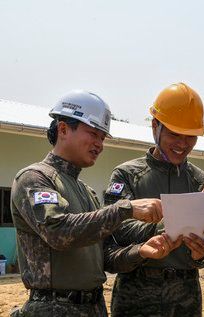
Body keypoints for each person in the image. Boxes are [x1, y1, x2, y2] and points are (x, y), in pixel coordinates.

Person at [10, 90, 181, 317]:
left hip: (94, 307)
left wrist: (142, 252)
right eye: (93, 133)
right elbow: (58, 231)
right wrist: (126, 209)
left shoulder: (86, 192)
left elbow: (106, 257)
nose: (99, 144)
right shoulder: (34, 178)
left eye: (102, 137)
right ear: (63, 129)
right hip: (52, 309)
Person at [103, 83, 204, 317]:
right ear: (155, 126)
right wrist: (173, 224)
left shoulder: (203, 183)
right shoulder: (126, 175)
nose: (183, 144)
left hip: (185, 298)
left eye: (190, 137)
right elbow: (118, 229)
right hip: (136, 295)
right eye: (175, 134)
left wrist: (202, 255)